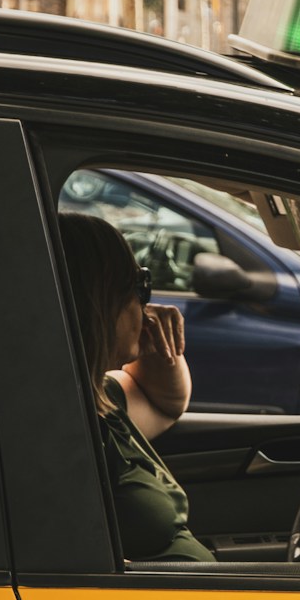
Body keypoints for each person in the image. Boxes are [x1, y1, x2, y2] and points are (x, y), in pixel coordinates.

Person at [59, 212, 214, 563]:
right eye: (140, 286)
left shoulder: (97, 395)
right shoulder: (54, 423)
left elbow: (165, 404)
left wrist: (158, 345)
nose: (146, 304)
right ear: (100, 302)